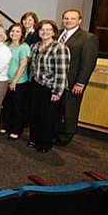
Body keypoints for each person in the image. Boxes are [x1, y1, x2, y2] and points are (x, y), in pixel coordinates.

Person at [56, 9, 99, 146]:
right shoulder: (57, 34)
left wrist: (81, 83)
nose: (68, 21)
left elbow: (88, 62)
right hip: (56, 81)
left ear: (79, 21)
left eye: (72, 19)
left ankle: (65, 137)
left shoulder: (88, 38)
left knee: (70, 111)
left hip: (73, 82)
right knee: (56, 109)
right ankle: (55, 132)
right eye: (66, 18)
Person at [28, 20, 70, 153]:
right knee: (35, 115)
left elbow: (62, 72)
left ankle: (45, 144)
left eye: (48, 29)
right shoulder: (35, 46)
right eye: (42, 29)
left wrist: (57, 92)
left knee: (47, 117)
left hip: (50, 87)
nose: (44, 32)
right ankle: (34, 140)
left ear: (53, 32)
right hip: (36, 85)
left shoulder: (60, 48)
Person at [1, 23, 31, 140]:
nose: (14, 34)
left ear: (22, 34)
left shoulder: (24, 47)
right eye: (12, 31)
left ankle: (16, 129)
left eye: (18, 32)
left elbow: (23, 66)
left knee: (17, 107)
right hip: (4, 80)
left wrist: (14, 81)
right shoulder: (4, 45)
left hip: (19, 82)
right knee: (6, 105)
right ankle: (6, 125)